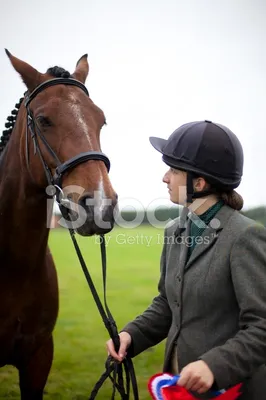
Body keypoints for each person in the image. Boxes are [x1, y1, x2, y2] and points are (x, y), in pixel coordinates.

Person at [106, 120, 266, 399]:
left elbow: (262, 325)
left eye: (173, 170)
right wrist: (132, 335)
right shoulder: (175, 230)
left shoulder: (245, 236)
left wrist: (215, 365)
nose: (165, 178)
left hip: (232, 389)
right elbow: (169, 303)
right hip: (179, 383)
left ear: (199, 183)